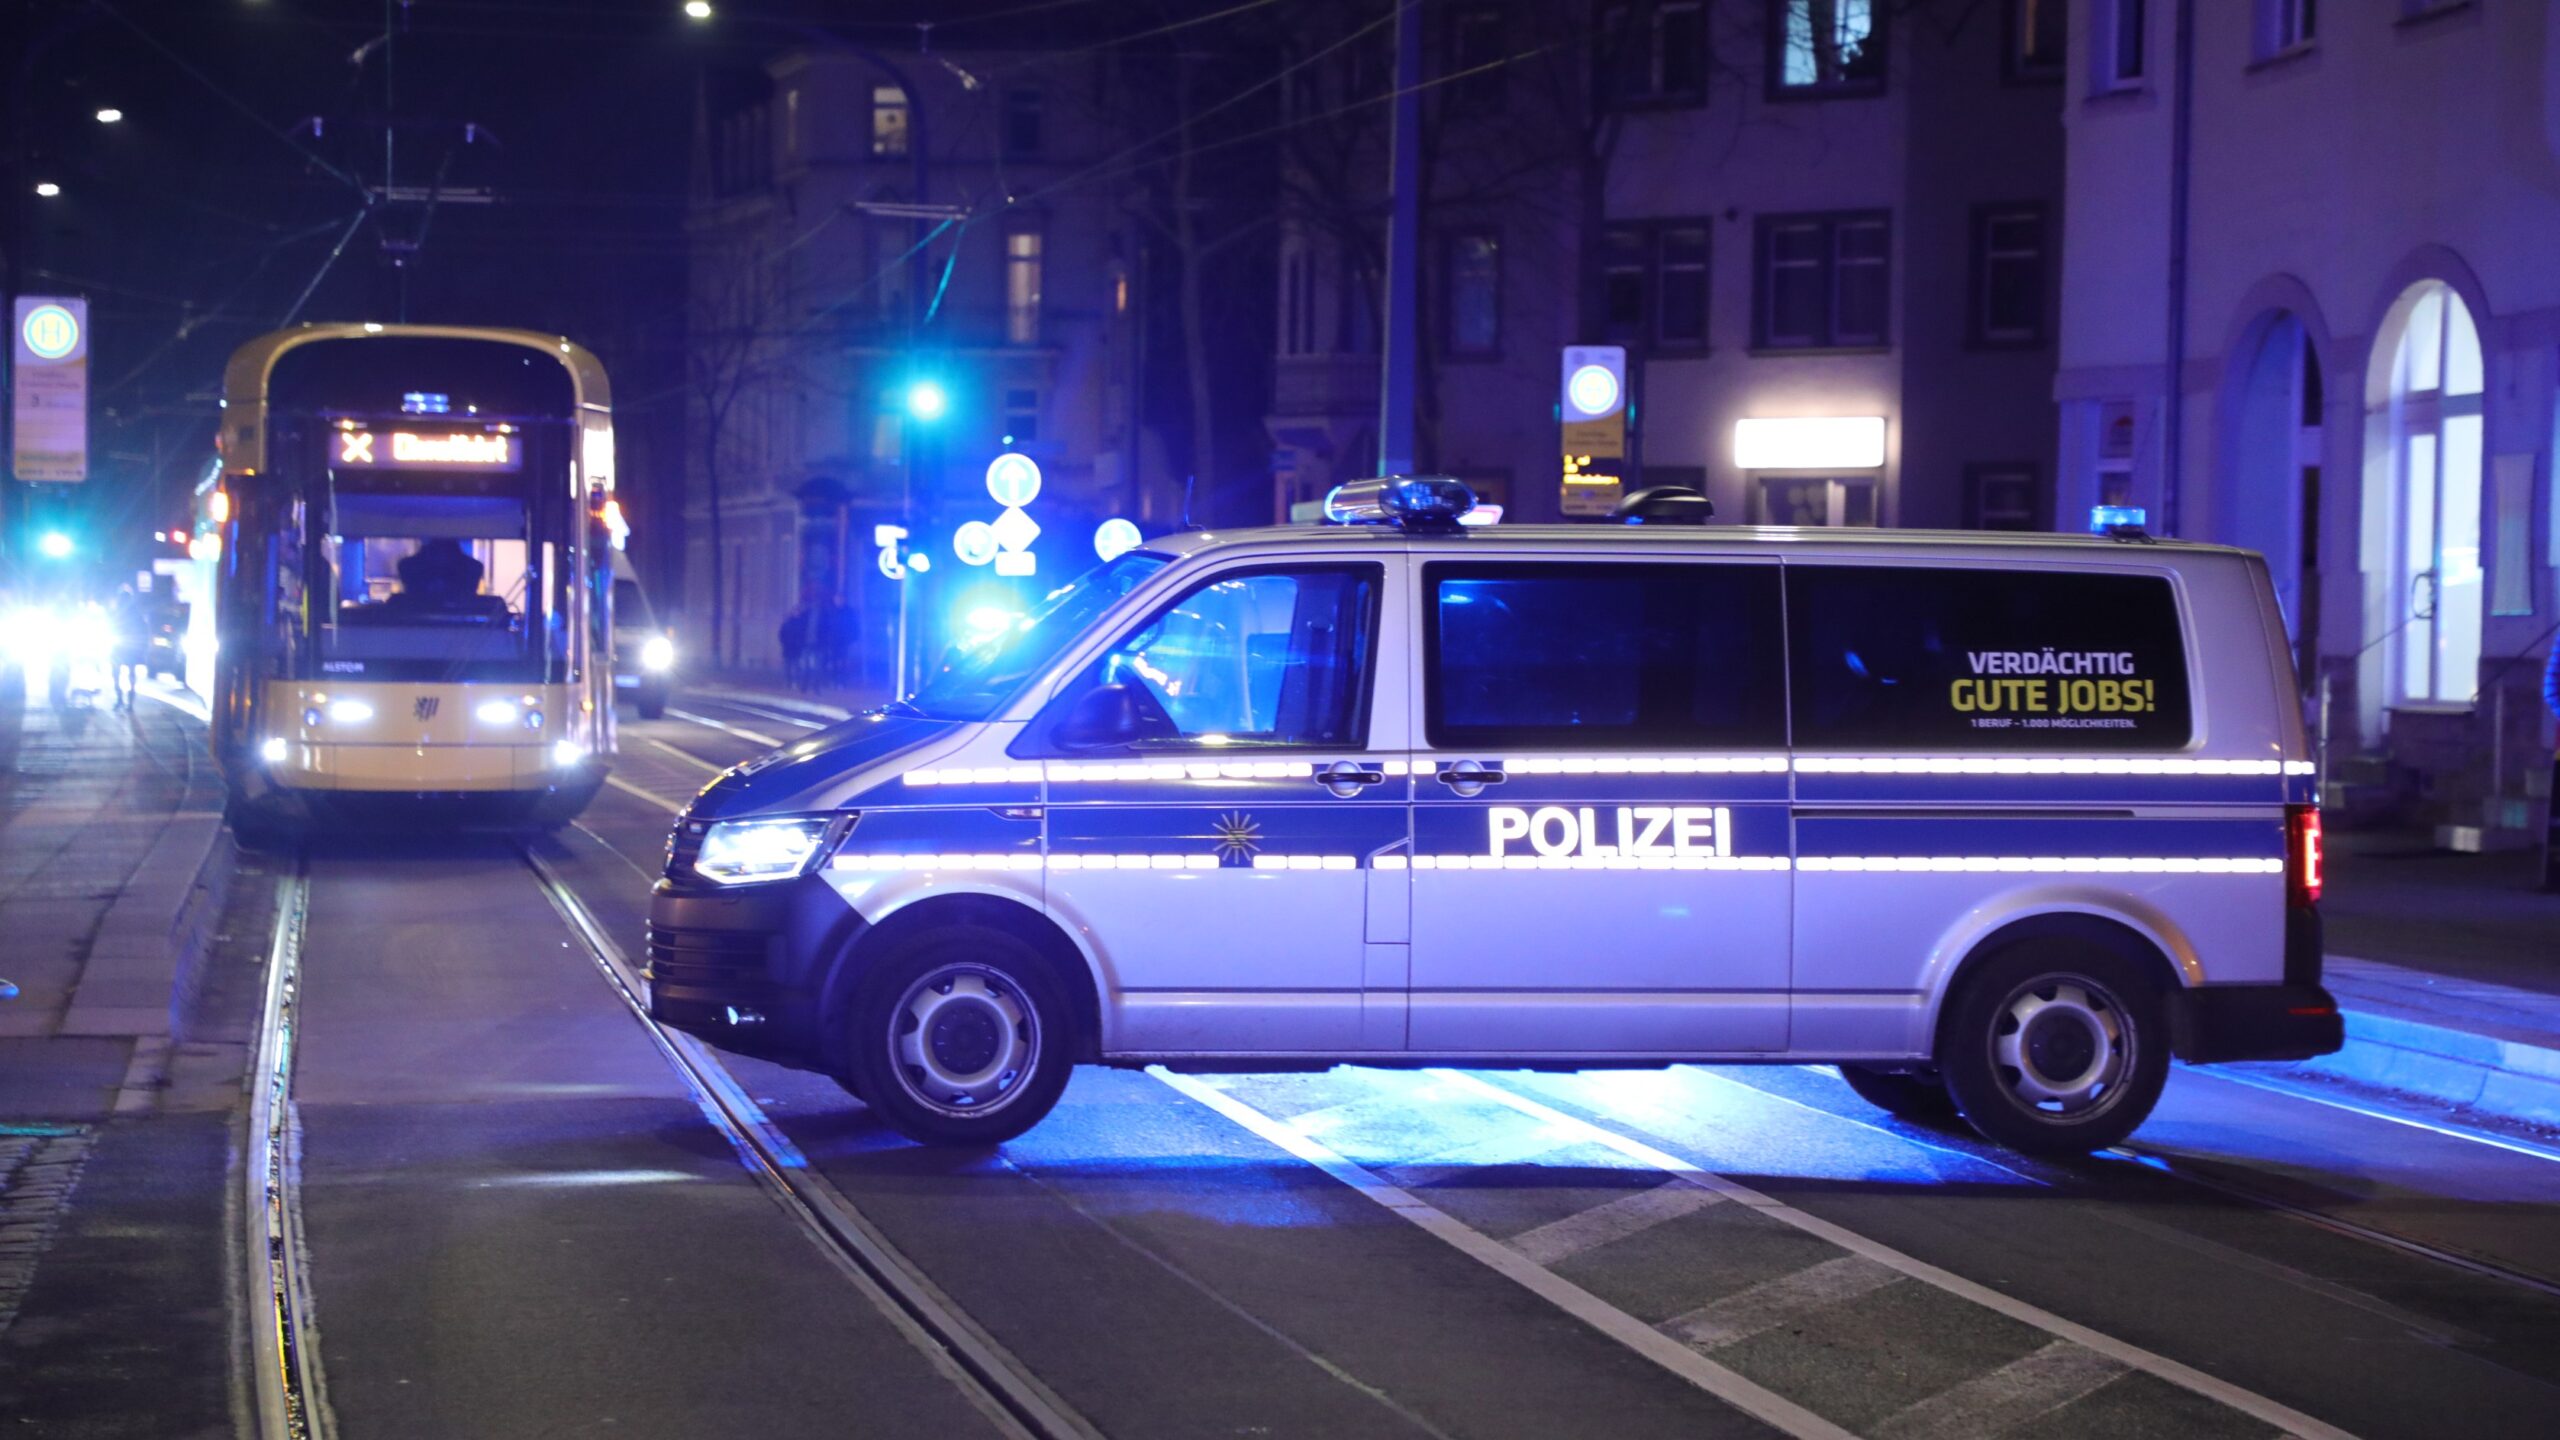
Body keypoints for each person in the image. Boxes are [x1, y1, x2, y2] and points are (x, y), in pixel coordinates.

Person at [106, 585, 149, 712]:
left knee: (119, 673)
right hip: (125, 647)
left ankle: (123, 700)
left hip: (124, 647)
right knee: (127, 673)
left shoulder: (122, 613)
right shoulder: (130, 613)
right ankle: (127, 701)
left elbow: (142, 631)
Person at [779, 606, 811, 691]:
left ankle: (795, 682)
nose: (796, 613)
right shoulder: (787, 622)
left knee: (796, 666)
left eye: (797, 611)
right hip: (788, 647)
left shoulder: (802, 623)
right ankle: (788, 683)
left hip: (796, 648)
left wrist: (800, 644)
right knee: (787, 666)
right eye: (795, 611)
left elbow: (803, 635)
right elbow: (781, 634)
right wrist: (784, 642)